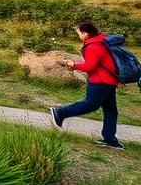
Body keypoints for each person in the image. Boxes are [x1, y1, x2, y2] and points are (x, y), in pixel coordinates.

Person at [49, 21, 122, 149]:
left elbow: (90, 66)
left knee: (90, 105)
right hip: (110, 80)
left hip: (100, 81)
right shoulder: (102, 40)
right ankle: (110, 139)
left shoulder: (93, 46)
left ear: (85, 33)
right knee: (111, 111)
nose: (78, 35)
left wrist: (73, 65)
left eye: (79, 33)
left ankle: (60, 113)